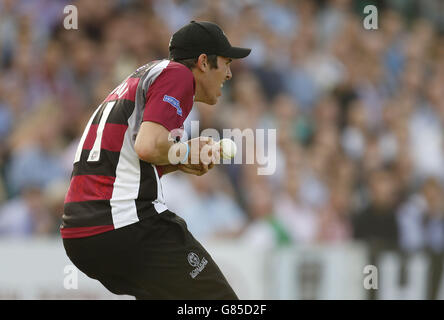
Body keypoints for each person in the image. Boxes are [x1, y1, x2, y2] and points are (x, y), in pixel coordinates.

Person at [61, 21, 251, 300]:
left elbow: (136, 157)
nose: (230, 74)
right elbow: (148, 146)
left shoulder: (145, 77)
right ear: (202, 62)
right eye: (226, 63)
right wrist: (185, 152)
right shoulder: (178, 76)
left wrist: (182, 161)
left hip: (82, 235)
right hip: (125, 223)